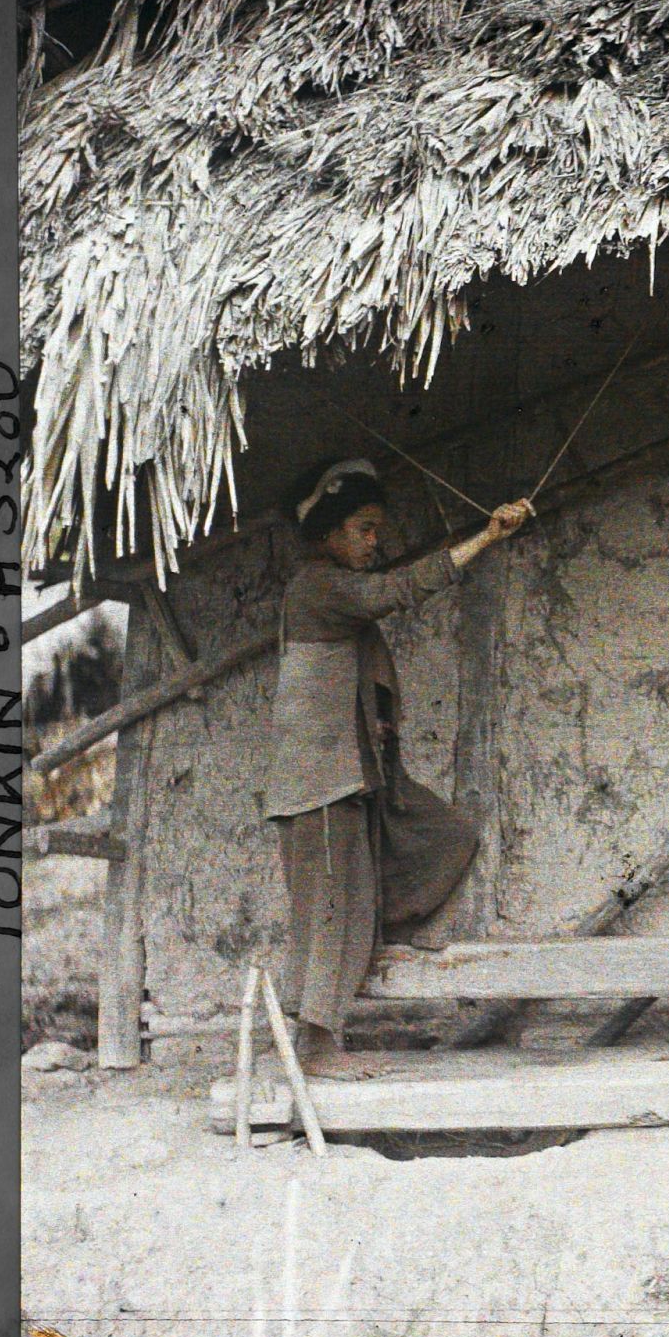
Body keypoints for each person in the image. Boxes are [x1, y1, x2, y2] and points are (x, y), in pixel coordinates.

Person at [262, 457, 533, 1078]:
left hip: (348, 776)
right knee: (331, 911)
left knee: (428, 843)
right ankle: (315, 1047)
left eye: (376, 530)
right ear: (329, 532)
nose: (373, 541)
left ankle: (372, 945)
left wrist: (376, 723)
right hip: (318, 786)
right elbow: (398, 590)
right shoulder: (320, 586)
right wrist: (487, 538)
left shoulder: (331, 591)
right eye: (362, 528)